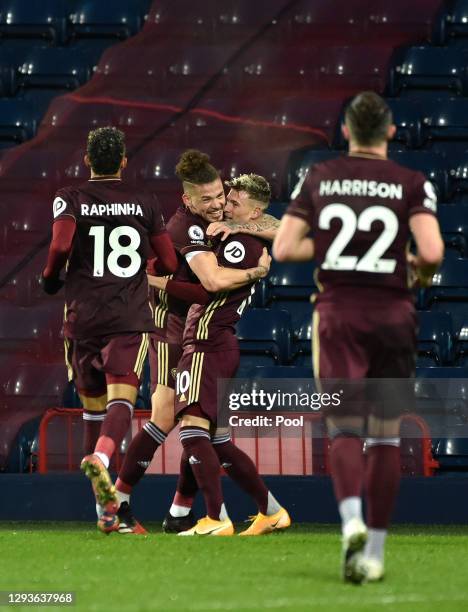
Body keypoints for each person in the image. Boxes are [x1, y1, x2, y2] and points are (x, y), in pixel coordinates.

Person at [272, 91, 444, 582]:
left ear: (345, 131)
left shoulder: (321, 177)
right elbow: (431, 251)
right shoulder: (412, 181)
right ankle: (377, 554)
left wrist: (330, 250)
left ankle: (350, 522)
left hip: (339, 312)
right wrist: (409, 264)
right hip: (393, 314)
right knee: (385, 434)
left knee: (344, 427)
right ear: (390, 132)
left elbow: (284, 248)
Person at [113, 152, 279, 534]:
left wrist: (253, 228)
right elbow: (208, 288)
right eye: (207, 200)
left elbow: (276, 225)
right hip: (171, 321)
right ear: (188, 201)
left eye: (221, 194)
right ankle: (118, 501)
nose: (218, 204)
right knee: (168, 414)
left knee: (201, 422)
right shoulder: (184, 226)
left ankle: (180, 512)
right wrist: (256, 270)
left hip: (197, 325)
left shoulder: (223, 213)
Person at [41, 126, 177, 532]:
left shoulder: (70, 198)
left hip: (82, 318)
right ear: (122, 161)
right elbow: (169, 263)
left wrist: (50, 278)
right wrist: (148, 267)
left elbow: (61, 247)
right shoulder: (144, 201)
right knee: (122, 402)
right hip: (126, 317)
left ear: (87, 160)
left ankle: (105, 512)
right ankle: (101, 461)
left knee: (91, 411)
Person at [171, 172, 291, 536]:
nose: (225, 206)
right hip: (219, 345)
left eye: (234, 202)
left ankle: (215, 518)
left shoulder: (240, 242)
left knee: (192, 430)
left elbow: (215, 283)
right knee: (219, 439)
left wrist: (159, 282)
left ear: (253, 212)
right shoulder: (240, 233)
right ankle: (270, 512)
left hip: (207, 342)